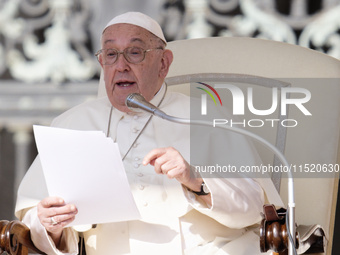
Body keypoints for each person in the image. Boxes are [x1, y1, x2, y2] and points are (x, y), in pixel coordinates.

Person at [15, 12, 282, 255]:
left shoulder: (205, 117)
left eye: (134, 52)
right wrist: (50, 225)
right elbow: (32, 218)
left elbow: (252, 208)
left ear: (163, 63)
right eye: (110, 54)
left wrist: (195, 179)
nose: (120, 66)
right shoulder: (72, 123)